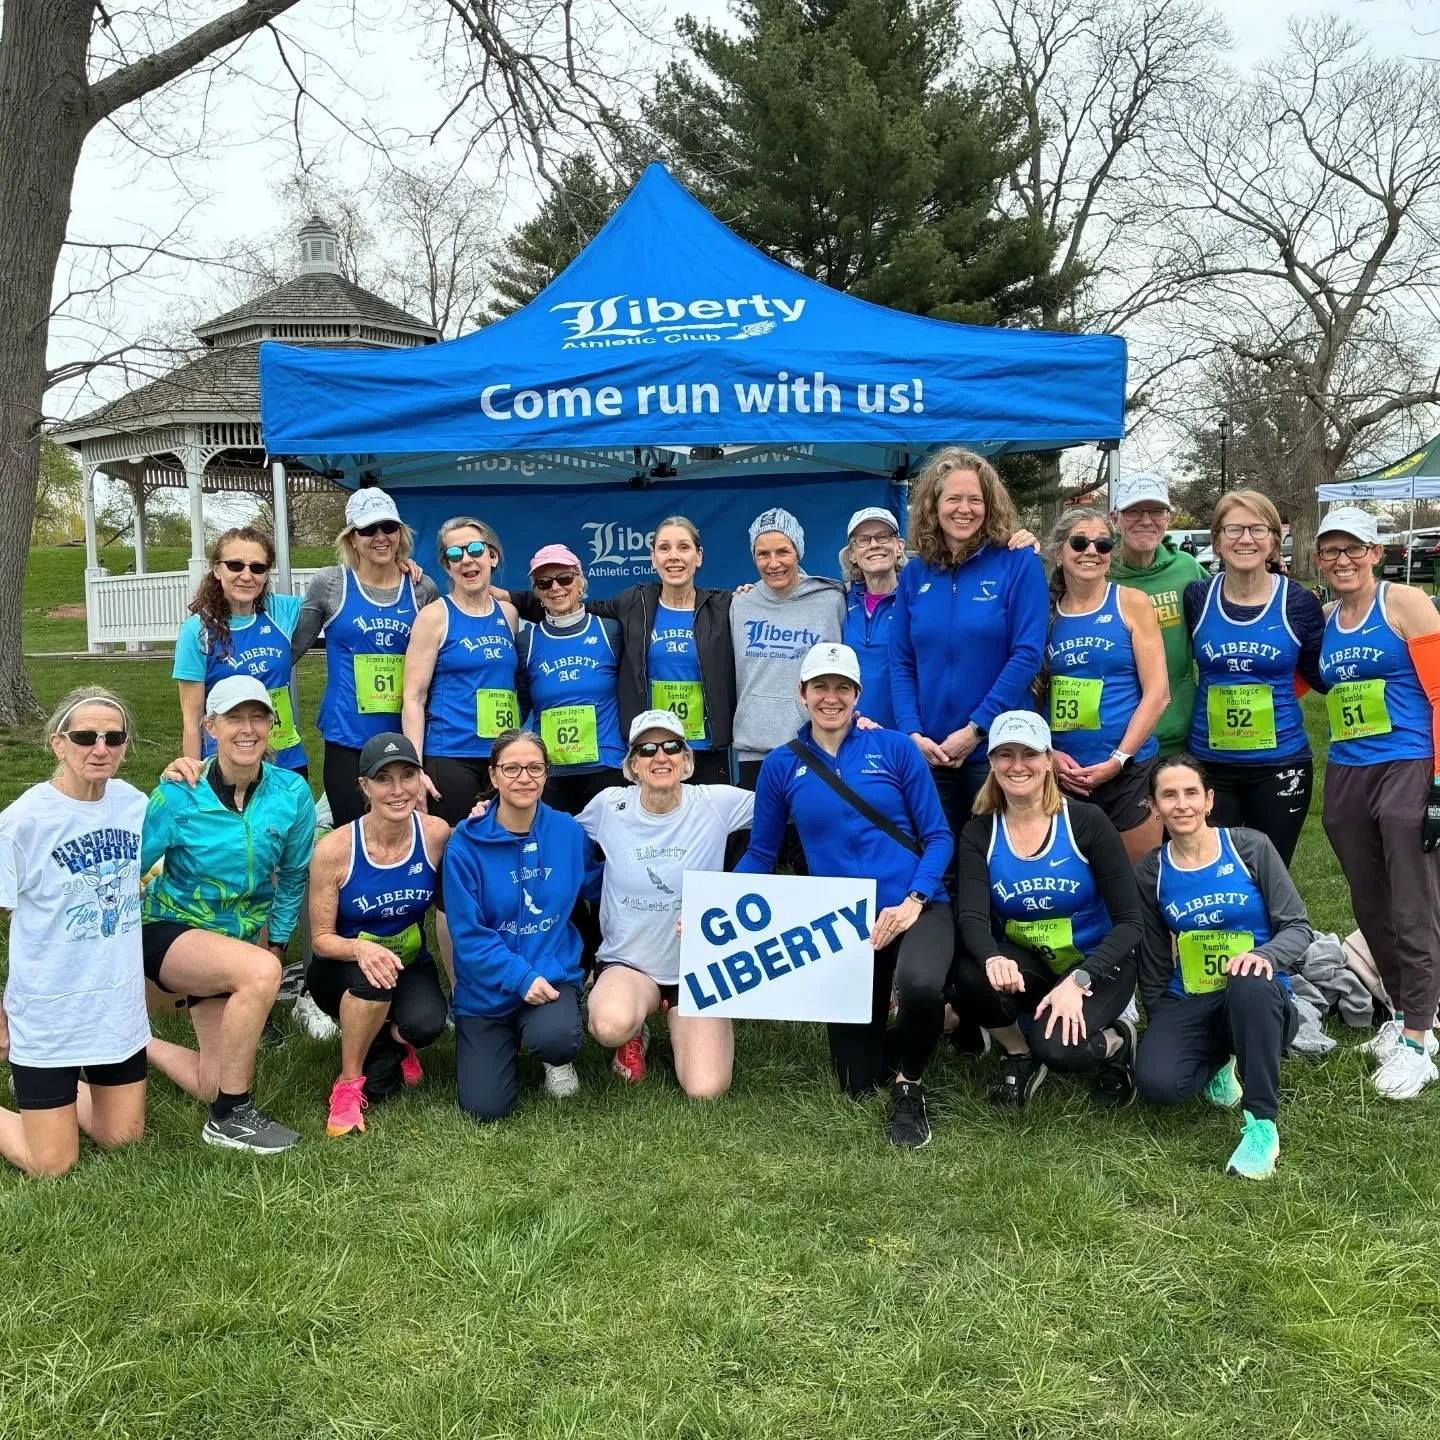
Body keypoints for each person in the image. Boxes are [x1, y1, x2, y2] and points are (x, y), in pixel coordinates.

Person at [736, 643, 954, 1148]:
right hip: (844, 920)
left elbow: (938, 836)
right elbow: (762, 854)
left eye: (841, 688)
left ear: (857, 694)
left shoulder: (896, 748)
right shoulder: (780, 766)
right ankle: (948, 1020)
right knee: (857, 1080)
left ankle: (910, 1088)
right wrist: (712, 907)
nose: (830, 698)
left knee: (919, 984)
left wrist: (914, 900)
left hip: (915, 905)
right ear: (802, 693)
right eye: (820, 688)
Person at [142, 676, 314, 1152]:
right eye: (233, 718)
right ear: (210, 726)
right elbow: (126, 869)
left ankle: (131, 1045)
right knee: (260, 971)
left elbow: (294, 874)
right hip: (167, 929)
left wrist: (277, 941)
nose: (247, 728)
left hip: (233, 945)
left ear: (272, 726)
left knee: (213, 1079)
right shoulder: (178, 794)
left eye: (258, 717)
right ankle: (230, 1117)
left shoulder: (291, 793)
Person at [946, 712, 1143, 1111]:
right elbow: (972, 917)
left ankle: (1120, 1039)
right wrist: (991, 958)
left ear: (1049, 759)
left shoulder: (1086, 822)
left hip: (1098, 963)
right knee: (972, 972)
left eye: (1029, 754)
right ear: (992, 763)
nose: (1017, 765)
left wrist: (1081, 979)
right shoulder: (980, 831)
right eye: (1005, 754)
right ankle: (1019, 1055)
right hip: (1033, 962)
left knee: (1061, 1050)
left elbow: (1131, 922)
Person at [1133, 754, 1311, 1179]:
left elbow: (1298, 927)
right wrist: (1161, 1019)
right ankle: (1221, 1060)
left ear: (1209, 800)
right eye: (1169, 795)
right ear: (1155, 808)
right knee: (1158, 1083)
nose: (1182, 804)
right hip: (1190, 997)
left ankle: (1261, 1126)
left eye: (1191, 793)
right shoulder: (1151, 871)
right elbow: (1154, 957)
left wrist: (1263, 957)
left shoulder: (1249, 847)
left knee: (1246, 980)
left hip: (1259, 998)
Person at [1316, 505, 1440, 1099]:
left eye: (1353, 549)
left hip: (1408, 764)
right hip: (1347, 771)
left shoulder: (1405, 603)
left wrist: (1439, 781)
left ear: (1375, 553)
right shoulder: (1324, 619)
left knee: (1413, 902)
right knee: (1370, 904)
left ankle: (1420, 1038)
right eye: (1331, 551)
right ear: (1318, 559)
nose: (1343, 560)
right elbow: (1295, 683)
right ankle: (1404, 1015)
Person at [0, 689, 148, 1177]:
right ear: (57, 744)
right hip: (47, 1013)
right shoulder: (23, 822)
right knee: (53, 1165)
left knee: (122, 1138)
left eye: (114, 736)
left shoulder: (135, 805)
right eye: (85, 736)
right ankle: (46, 1100)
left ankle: (58, 1102)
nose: (100, 748)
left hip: (115, 1009)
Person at [580, 710, 754, 1096]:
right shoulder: (610, 806)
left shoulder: (715, 802)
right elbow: (549, 828)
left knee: (706, 1089)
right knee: (610, 1024)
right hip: (630, 963)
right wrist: (487, 814)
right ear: (633, 765)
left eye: (672, 746)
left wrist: (846, 743)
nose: (661, 757)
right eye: (647, 749)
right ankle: (633, 1029)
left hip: (697, 966)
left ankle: (679, 1019)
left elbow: (785, 802)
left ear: (686, 759)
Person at [891, 448, 1049, 856]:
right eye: (953, 499)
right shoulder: (914, 573)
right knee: (938, 866)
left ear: (989, 504)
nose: (964, 509)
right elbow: (902, 662)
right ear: (934, 505)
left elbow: (1027, 653)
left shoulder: (1018, 563)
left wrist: (976, 728)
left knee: (997, 865)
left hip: (996, 750)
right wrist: (912, 732)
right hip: (929, 751)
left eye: (975, 499)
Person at [501, 518, 737, 785]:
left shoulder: (724, 606)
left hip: (706, 745)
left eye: (683, 547)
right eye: (664, 548)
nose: (674, 557)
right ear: (652, 557)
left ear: (699, 556)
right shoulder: (635, 603)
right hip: (652, 749)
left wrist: (752, 593)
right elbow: (570, 608)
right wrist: (501, 595)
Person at [441, 729, 592, 1119]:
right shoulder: (465, 845)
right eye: (511, 768)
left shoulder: (568, 832)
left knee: (556, 1039)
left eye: (534, 768)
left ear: (546, 774)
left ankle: (552, 1057)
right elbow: (469, 937)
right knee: (485, 1108)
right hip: (486, 990)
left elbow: (600, 883)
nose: (523, 778)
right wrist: (518, 977)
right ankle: (500, 1036)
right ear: (493, 776)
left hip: (550, 975)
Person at [307, 733, 451, 1137]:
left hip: (408, 964)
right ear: (364, 787)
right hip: (342, 968)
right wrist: (360, 951)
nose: (398, 789)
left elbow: (480, 845)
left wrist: (483, 816)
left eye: (407, 775)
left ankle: (391, 1038)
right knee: (371, 985)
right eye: (383, 779)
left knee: (427, 1026)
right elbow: (320, 938)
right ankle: (348, 1085)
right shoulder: (334, 850)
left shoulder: (435, 834)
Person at [1184, 490, 1325, 866]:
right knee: (1215, 873)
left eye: (1257, 529)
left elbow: (1319, 675)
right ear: (1216, 540)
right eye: (1233, 529)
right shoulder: (1197, 597)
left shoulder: (1298, 603)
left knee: (1271, 876)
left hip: (1280, 764)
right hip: (1209, 765)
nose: (1245, 539)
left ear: (1275, 541)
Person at [292, 487, 439, 829]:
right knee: (352, 833)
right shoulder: (330, 584)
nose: (380, 537)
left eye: (388, 527)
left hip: (404, 736)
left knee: (406, 833)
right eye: (368, 530)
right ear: (352, 538)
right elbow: (293, 649)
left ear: (400, 533)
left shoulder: (422, 588)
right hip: (347, 736)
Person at [1043, 510, 1168, 863]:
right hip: (1064, 772)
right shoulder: (1044, 612)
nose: (1091, 551)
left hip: (1128, 770)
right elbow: (1033, 690)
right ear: (1059, 553)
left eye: (1103, 543)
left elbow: (1158, 694)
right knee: (1073, 882)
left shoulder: (1131, 602)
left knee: (1139, 882)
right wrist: (1048, 754)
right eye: (1080, 542)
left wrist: (1118, 759)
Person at [400, 516, 520, 826]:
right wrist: (415, 770)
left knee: (502, 849)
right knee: (456, 850)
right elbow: (413, 698)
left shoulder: (508, 614)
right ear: (447, 565)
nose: (466, 559)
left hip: (502, 758)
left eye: (475, 549)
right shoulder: (434, 617)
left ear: (491, 556)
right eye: (455, 554)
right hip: (451, 755)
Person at [174, 527, 307, 775]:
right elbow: (191, 720)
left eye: (257, 568)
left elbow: (336, 596)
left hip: (285, 762)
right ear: (217, 570)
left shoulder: (282, 612)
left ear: (266, 575)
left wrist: (396, 568)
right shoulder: (197, 631)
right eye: (235, 565)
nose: (247, 576)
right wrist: (193, 776)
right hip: (227, 766)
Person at [730, 507, 847, 785]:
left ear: (798, 552)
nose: (773, 563)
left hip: (815, 746)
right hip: (754, 751)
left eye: (783, 551)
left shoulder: (831, 601)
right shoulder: (740, 604)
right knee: (761, 830)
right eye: (763, 554)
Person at [514, 544, 625, 814]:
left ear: (580, 582)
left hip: (607, 766)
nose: (556, 587)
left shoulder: (609, 630)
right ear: (537, 591)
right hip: (553, 772)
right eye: (544, 582)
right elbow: (519, 705)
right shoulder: (526, 641)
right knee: (560, 853)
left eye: (564, 578)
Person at [1109, 473, 1207, 755]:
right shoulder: (1097, 570)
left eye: (1156, 511)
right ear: (1115, 518)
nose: (1146, 520)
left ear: (1169, 518)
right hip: (1117, 734)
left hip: (1180, 731)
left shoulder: (1187, 569)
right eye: (1134, 511)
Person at [841, 507, 906, 730]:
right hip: (850, 735)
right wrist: (753, 590)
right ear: (852, 554)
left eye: (883, 536)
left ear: (899, 547)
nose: (874, 544)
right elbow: (796, 588)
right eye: (864, 539)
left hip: (906, 737)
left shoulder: (918, 600)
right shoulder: (840, 599)